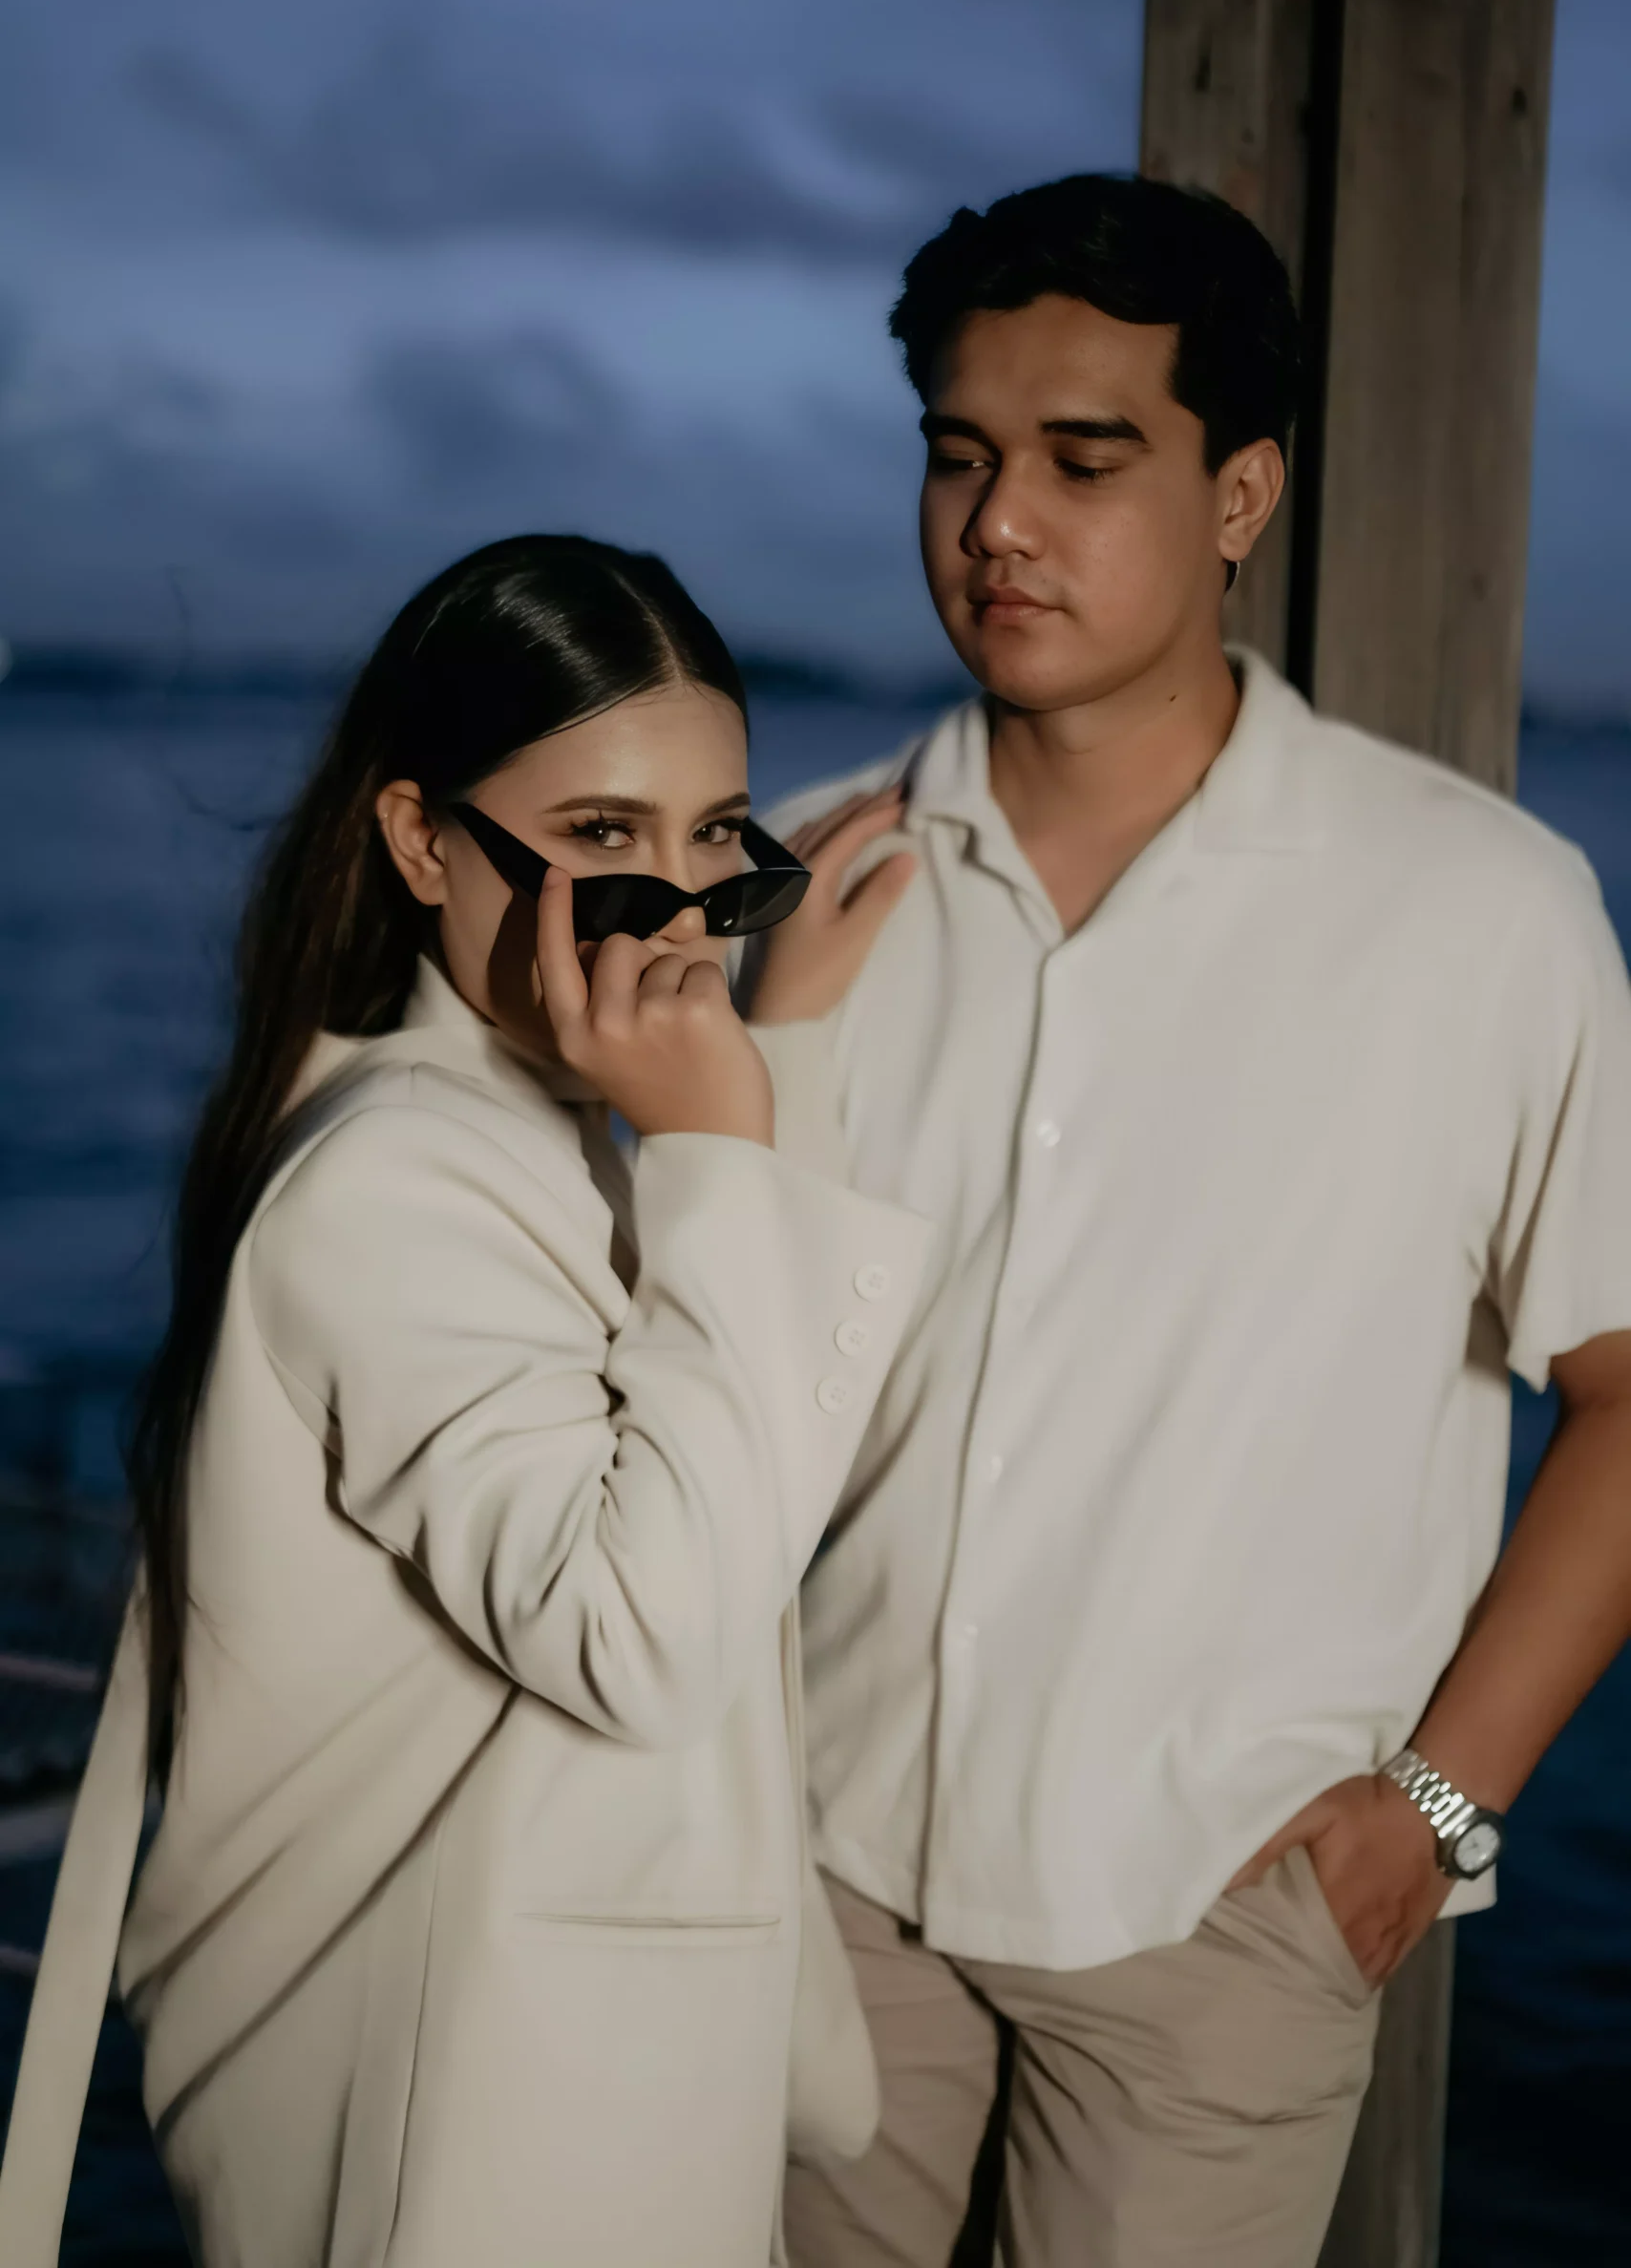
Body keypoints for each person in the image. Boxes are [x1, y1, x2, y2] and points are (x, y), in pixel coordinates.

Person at [749, 175, 1631, 2268]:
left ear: (1239, 493)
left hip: (1215, 1912)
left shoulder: (1480, 912)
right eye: (958, 455)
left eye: (1083, 459)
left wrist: (1430, 1812)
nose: (998, 524)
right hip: (818, 1877)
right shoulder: (794, 884)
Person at [0, 535, 931, 2268]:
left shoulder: (514, 1128)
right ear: (423, 841)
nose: (676, 917)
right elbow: (643, 1636)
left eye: (715, 839)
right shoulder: (402, 1182)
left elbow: (733, 1460)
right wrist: (723, 1130)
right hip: (479, 2129)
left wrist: (761, 1075)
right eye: (602, 838)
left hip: (535, 2074)